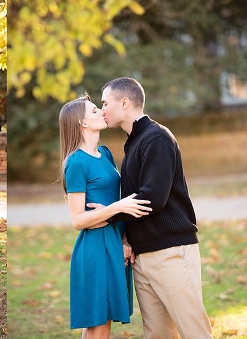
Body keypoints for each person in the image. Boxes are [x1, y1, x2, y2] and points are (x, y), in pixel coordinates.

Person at [100, 77, 213, 338]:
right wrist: (126, 237)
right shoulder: (134, 142)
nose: (102, 109)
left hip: (171, 253)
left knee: (195, 331)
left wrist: (104, 214)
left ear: (124, 103)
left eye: (105, 103)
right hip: (143, 256)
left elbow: (152, 198)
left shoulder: (157, 137)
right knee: (157, 334)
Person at [58, 94, 151, 338]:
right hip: (95, 248)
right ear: (82, 123)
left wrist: (124, 240)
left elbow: (114, 201)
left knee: (100, 322)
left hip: (114, 243)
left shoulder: (105, 153)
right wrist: (117, 208)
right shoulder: (76, 162)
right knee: (99, 325)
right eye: (94, 110)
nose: (102, 111)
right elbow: (78, 220)